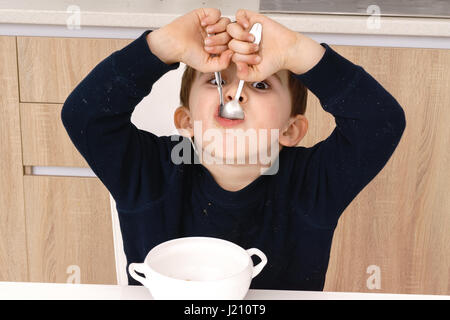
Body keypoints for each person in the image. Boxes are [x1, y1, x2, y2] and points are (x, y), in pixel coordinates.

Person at [61, 8, 406, 290]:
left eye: (260, 84)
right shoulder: (149, 172)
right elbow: (85, 115)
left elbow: (380, 122)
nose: (234, 93)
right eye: (215, 80)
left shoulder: (311, 185)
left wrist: (299, 51)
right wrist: (160, 47)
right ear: (186, 121)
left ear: (291, 129)